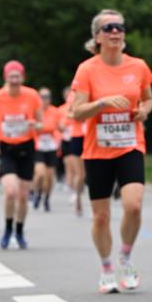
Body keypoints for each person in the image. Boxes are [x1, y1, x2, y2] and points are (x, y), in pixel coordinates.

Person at [72, 8, 152, 293]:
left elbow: (148, 99)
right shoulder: (87, 70)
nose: (116, 32)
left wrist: (143, 112)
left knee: (133, 204)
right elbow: (77, 112)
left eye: (120, 26)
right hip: (97, 150)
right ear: (97, 36)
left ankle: (126, 257)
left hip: (130, 144)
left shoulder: (138, 66)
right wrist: (102, 104)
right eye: (108, 28)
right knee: (101, 216)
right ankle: (107, 266)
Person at [0, 60, 42, 250]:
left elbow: (41, 123)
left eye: (17, 76)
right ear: (6, 78)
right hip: (6, 148)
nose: (14, 80)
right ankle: (7, 229)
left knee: (23, 196)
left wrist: (33, 125)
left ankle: (20, 231)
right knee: (11, 190)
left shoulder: (32, 96)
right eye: (11, 76)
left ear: (22, 77)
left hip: (27, 147)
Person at [58, 85, 86, 216]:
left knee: (92, 173)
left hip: (92, 136)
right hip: (76, 137)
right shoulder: (73, 96)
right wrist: (77, 115)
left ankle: (95, 204)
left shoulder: (97, 90)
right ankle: (78, 198)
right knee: (79, 173)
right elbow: (68, 114)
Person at [32, 87, 60, 211]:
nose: (44, 99)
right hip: (38, 146)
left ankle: (47, 199)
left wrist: (58, 140)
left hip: (51, 147)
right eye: (42, 97)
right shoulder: (35, 111)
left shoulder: (55, 111)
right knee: (40, 174)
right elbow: (31, 129)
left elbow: (58, 128)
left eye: (47, 96)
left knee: (49, 177)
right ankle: (37, 193)